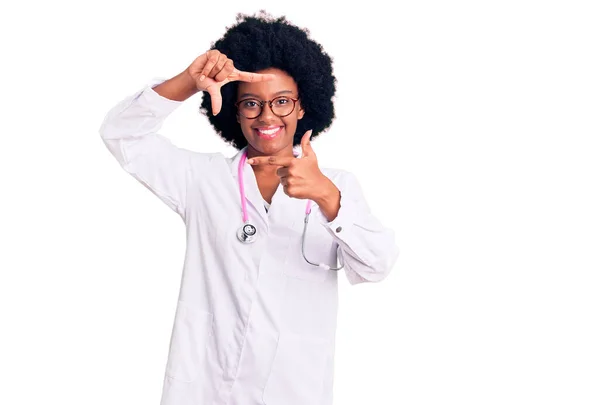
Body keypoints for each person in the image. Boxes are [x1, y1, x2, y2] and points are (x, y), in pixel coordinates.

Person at [99, 10, 399, 405]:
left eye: (282, 102)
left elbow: (377, 266)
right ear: (234, 111)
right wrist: (190, 82)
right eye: (251, 103)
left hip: (292, 390)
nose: (267, 116)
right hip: (205, 388)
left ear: (303, 106)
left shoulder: (337, 186)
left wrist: (326, 197)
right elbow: (122, 134)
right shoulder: (202, 180)